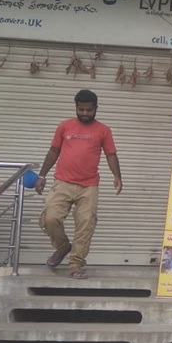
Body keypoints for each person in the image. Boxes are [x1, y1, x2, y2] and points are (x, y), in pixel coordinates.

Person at [35, 90, 122, 279]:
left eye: (89, 110)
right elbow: (53, 151)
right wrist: (42, 175)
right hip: (63, 182)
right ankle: (62, 246)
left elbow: (110, 154)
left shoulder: (103, 130)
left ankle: (75, 264)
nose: (84, 113)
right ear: (76, 107)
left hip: (88, 186)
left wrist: (117, 176)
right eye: (81, 109)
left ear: (96, 109)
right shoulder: (64, 126)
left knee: (85, 225)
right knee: (50, 218)